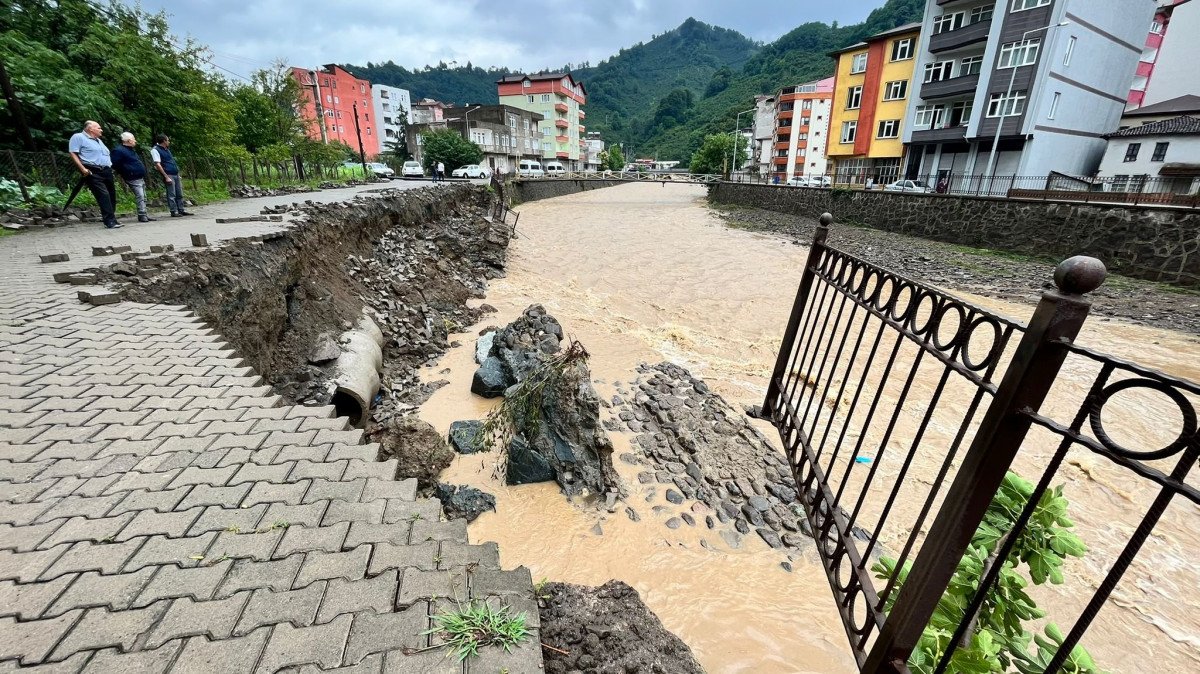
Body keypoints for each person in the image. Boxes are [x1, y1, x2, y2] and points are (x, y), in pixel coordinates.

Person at [67, 121, 120, 229]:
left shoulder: (99, 141)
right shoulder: (78, 137)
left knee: (111, 195)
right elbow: (73, 153)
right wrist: (82, 169)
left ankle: (113, 219)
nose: (101, 130)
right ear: (91, 129)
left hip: (106, 170)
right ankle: (109, 221)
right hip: (92, 170)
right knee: (103, 195)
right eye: (99, 128)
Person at [111, 132, 155, 223]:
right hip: (132, 176)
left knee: (143, 196)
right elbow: (114, 164)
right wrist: (126, 170)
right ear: (128, 140)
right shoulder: (119, 150)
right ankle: (142, 214)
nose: (135, 141)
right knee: (140, 195)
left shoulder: (131, 150)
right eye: (134, 139)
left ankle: (144, 213)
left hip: (138, 176)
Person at [151, 134, 193, 217]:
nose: (169, 142)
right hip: (168, 174)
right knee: (171, 194)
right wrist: (166, 176)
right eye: (168, 140)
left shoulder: (167, 149)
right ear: (164, 141)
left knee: (179, 193)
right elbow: (158, 164)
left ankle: (181, 210)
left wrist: (177, 173)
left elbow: (171, 161)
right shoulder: (155, 150)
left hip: (175, 173)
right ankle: (173, 211)